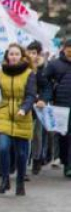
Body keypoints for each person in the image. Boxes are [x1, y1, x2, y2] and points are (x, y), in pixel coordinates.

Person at [0, 44, 37, 195]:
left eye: (16, 54)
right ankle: (5, 180)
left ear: (21, 56)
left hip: (22, 115)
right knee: (2, 148)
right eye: (11, 54)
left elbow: (31, 95)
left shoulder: (29, 73)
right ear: (7, 56)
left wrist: (24, 108)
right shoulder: (1, 72)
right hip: (4, 113)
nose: (13, 56)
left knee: (21, 153)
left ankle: (20, 182)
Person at [39, 38, 71, 177]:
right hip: (61, 105)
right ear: (64, 49)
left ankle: (69, 166)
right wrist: (46, 97)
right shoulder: (54, 64)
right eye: (69, 48)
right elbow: (44, 81)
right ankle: (65, 160)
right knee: (64, 136)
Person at [26, 41, 48, 175]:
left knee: (37, 135)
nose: (31, 55)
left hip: (38, 105)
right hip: (26, 104)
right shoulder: (22, 66)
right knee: (26, 135)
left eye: (34, 53)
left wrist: (43, 99)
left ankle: (36, 159)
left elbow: (46, 86)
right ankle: (24, 162)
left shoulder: (42, 69)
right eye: (29, 52)